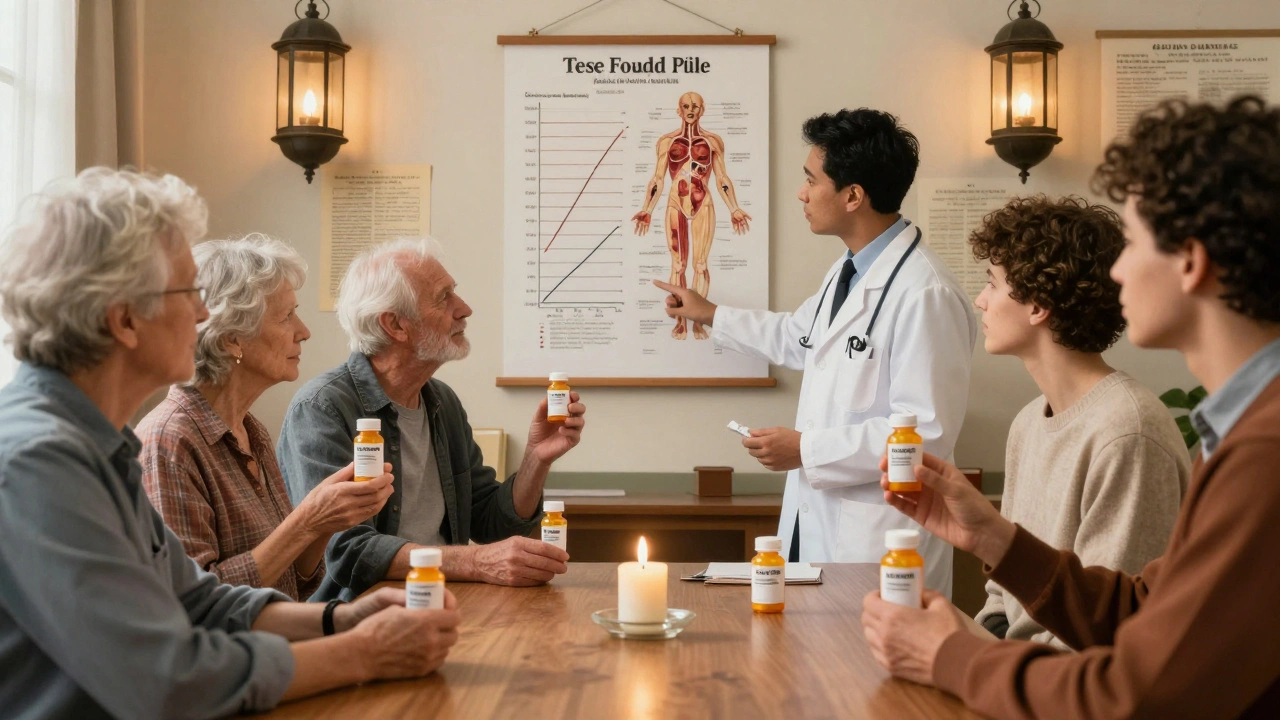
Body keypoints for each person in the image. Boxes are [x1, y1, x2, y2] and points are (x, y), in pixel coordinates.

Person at [860, 95, 1280, 719]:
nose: (1117, 273)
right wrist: (995, 537)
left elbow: (1138, 695)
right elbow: (1141, 610)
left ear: (1191, 262)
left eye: (1134, 243)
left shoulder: (1261, 452)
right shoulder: (1242, 431)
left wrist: (950, 656)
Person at [0, 168, 459, 719]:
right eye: (187, 292)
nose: (203, 314)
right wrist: (365, 652)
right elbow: (166, 680)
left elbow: (197, 600)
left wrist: (341, 619)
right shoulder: (38, 460)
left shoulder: (99, 445)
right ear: (124, 319)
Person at [657, 108, 976, 595]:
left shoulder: (925, 293)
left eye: (811, 180)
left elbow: (925, 434)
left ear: (853, 196)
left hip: (879, 540)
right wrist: (709, 314)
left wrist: (805, 449)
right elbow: (798, 337)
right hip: (818, 522)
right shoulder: (849, 271)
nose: (801, 194)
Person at [278, 237, 587, 601]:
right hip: (359, 618)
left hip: (445, 605)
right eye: (444, 297)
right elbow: (347, 550)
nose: (465, 309)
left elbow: (491, 522)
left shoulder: (442, 402)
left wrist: (536, 457)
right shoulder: (321, 409)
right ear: (396, 325)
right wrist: (475, 562)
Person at [968, 195, 1189, 645]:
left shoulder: (1128, 433)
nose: (980, 300)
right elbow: (1000, 600)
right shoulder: (1027, 423)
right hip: (1017, 670)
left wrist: (982, 664)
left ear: (1038, 306)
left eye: (991, 283)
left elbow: (1106, 633)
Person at [138, 234, 392, 601]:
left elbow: (293, 582)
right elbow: (191, 603)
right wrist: (306, 521)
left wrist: (325, 521)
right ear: (232, 339)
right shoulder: (169, 441)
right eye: (286, 316)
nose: (303, 332)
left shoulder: (249, 429)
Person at [632, 91, 751, 339]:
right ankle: (680, 322)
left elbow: (722, 177)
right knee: (678, 265)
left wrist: (734, 208)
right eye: (686, 106)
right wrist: (647, 209)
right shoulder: (666, 142)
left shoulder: (712, 142)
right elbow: (657, 178)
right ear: (679, 110)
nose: (690, 110)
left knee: (700, 264)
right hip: (676, 203)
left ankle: (698, 322)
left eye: (695, 106)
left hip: (702, 203)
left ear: (702, 110)